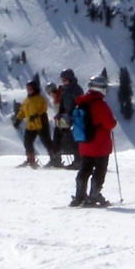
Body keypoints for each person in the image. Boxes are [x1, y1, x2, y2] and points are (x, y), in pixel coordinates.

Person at [71, 73, 119, 207]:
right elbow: (109, 124)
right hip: (100, 144)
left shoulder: (81, 102)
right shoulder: (100, 104)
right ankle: (94, 195)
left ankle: (79, 196)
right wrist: (114, 122)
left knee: (85, 169)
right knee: (100, 170)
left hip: (85, 143)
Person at [15, 79, 51, 167]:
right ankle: (30, 159)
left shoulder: (39, 98)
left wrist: (36, 114)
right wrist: (18, 119)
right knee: (27, 142)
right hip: (30, 125)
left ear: (35, 88)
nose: (29, 90)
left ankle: (55, 158)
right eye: (27, 89)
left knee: (46, 141)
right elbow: (22, 111)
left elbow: (44, 108)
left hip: (41, 123)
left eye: (30, 89)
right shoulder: (26, 100)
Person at [52, 70, 82, 168]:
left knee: (74, 139)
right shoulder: (64, 89)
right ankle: (56, 159)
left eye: (65, 79)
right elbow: (62, 103)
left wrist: (73, 114)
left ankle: (78, 160)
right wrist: (59, 113)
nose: (63, 81)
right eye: (62, 80)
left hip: (75, 117)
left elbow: (80, 103)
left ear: (70, 78)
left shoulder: (77, 89)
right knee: (58, 134)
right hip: (66, 117)